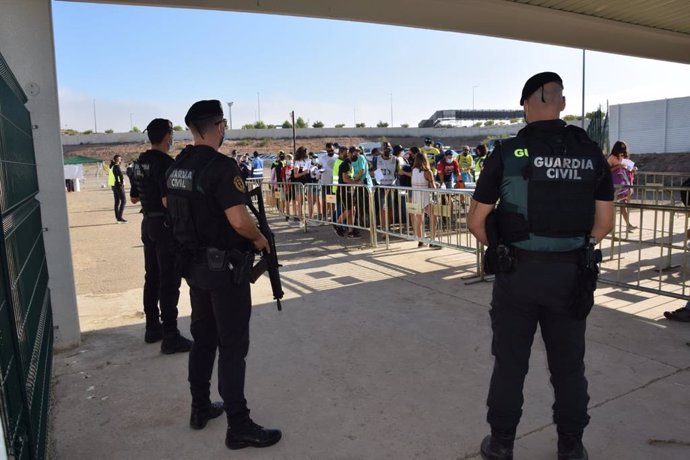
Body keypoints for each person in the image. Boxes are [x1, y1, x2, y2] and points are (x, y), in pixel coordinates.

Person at [467, 72, 614, 460]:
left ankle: (501, 445)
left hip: (518, 275)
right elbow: (603, 225)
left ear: (526, 105)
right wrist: (571, 250)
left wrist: (505, 248)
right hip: (571, 276)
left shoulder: (507, 152)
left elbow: (475, 223)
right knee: (568, 366)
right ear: (561, 103)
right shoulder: (590, 153)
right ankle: (571, 446)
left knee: (510, 364)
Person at [165, 100, 281, 449]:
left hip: (195, 266)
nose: (224, 129)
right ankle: (239, 425)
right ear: (215, 126)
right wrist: (261, 240)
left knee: (203, 339)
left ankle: (200, 407)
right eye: (223, 123)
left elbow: (171, 206)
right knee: (232, 347)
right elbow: (239, 220)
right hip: (225, 270)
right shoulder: (221, 166)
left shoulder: (178, 166)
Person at [129, 118, 193, 353]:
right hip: (165, 227)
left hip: (148, 224)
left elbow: (134, 198)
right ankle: (171, 335)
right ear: (167, 137)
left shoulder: (139, 163)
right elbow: (168, 201)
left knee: (152, 277)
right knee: (169, 280)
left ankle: (152, 328)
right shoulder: (167, 164)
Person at [411, 152, 440, 249]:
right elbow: (433, 188)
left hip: (416, 197)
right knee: (434, 219)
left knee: (419, 220)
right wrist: (436, 184)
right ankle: (432, 240)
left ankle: (420, 241)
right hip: (426, 198)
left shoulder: (414, 171)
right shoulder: (428, 172)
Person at [608, 140, 636, 231]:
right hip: (614, 186)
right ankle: (609, 227)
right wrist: (618, 166)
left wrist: (632, 169)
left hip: (624, 185)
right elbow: (607, 170)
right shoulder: (612, 158)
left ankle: (628, 225)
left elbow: (628, 169)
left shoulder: (624, 157)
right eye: (621, 149)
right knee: (611, 207)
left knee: (623, 205)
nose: (623, 152)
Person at [108, 154, 127, 223]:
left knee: (117, 202)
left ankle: (117, 217)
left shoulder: (111, 166)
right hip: (118, 186)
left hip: (113, 186)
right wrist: (122, 183)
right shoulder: (116, 167)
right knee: (124, 201)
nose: (121, 160)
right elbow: (121, 176)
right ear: (117, 160)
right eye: (120, 159)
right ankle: (120, 217)